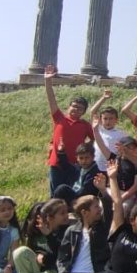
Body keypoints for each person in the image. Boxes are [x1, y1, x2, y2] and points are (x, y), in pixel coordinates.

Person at [36, 194, 109, 273]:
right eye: (96, 207)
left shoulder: (102, 229)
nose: (100, 209)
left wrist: (103, 191)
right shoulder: (72, 231)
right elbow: (62, 258)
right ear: (85, 213)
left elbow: (110, 210)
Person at [42, 65, 93, 197]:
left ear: (84, 112)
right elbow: (51, 99)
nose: (76, 109)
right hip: (57, 163)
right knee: (55, 195)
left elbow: (94, 139)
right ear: (69, 107)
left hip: (75, 165)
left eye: (80, 108)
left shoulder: (85, 125)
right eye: (74, 106)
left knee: (70, 193)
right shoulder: (59, 118)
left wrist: (86, 149)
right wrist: (48, 81)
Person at [13, 199, 70, 273]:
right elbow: (37, 249)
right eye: (62, 213)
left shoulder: (66, 231)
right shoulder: (38, 232)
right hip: (42, 270)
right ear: (50, 217)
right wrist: (39, 255)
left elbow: (61, 256)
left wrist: (49, 237)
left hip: (55, 272)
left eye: (66, 212)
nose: (67, 215)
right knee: (20, 251)